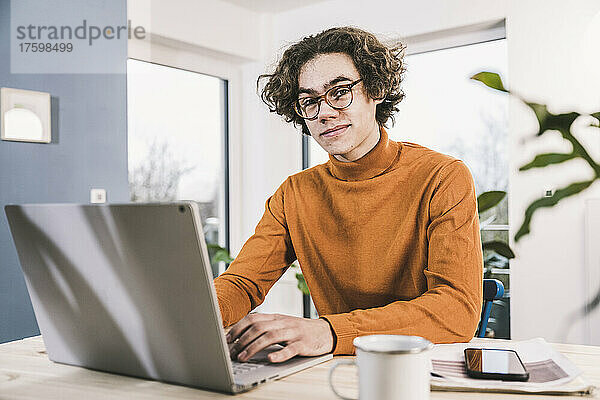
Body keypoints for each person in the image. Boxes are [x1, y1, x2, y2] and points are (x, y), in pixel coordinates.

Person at [214, 26, 483, 364]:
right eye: (309, 101)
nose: (324, 113)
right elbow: (242, 283)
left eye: (340, 92)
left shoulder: (442, 176)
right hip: (338, 366)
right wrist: (190, 314)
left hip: (421, 367)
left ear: (377, 89)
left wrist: (327, 331)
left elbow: (457, 309)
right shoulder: (294, 194)